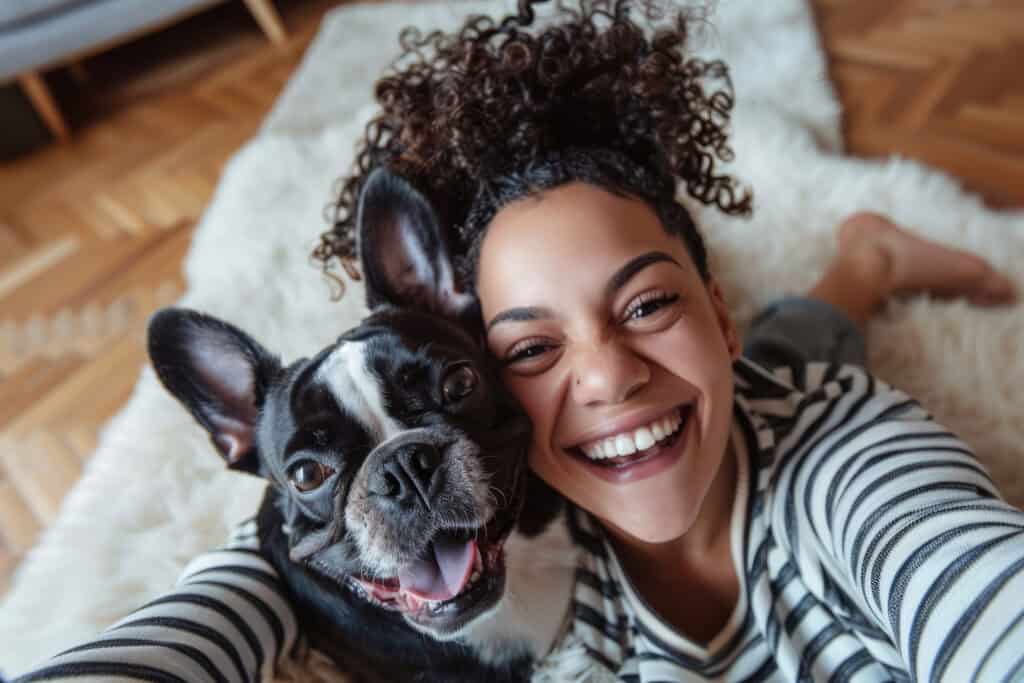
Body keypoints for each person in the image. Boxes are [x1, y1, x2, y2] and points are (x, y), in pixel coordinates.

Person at [11, 1, 1022, 681]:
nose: (609, 375)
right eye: (531, 347)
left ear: (711, 301)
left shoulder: (848, 459)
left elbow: (960, 572)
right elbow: (208, 609)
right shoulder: (348, 530)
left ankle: (868, 261)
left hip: (763, 398)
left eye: (646, 304)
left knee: (790, 359)